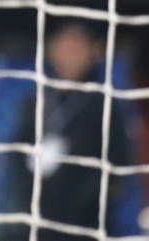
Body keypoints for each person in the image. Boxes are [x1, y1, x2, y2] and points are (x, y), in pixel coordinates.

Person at [9, 17, 138, 240]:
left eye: (77, 48)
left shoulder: (104, 106)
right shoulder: (36, 101)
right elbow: (17, 156)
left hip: (85, 227)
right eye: (64, 47)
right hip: (37, 223)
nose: (70, 56)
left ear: (94, 52)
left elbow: (115, 168)